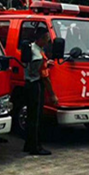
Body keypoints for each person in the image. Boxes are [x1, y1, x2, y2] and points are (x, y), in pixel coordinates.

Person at [24, 27, 58, 155]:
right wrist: (53, 95)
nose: (48, 41)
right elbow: (45, 77)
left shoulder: (31, 48)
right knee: (36, 118)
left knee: (30, 116)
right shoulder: (38, 56)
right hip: (36, 86)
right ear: (41, 39)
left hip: (28, 84)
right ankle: (36, 147)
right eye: (47, 38)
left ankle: (28, 144)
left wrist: (46, 64)